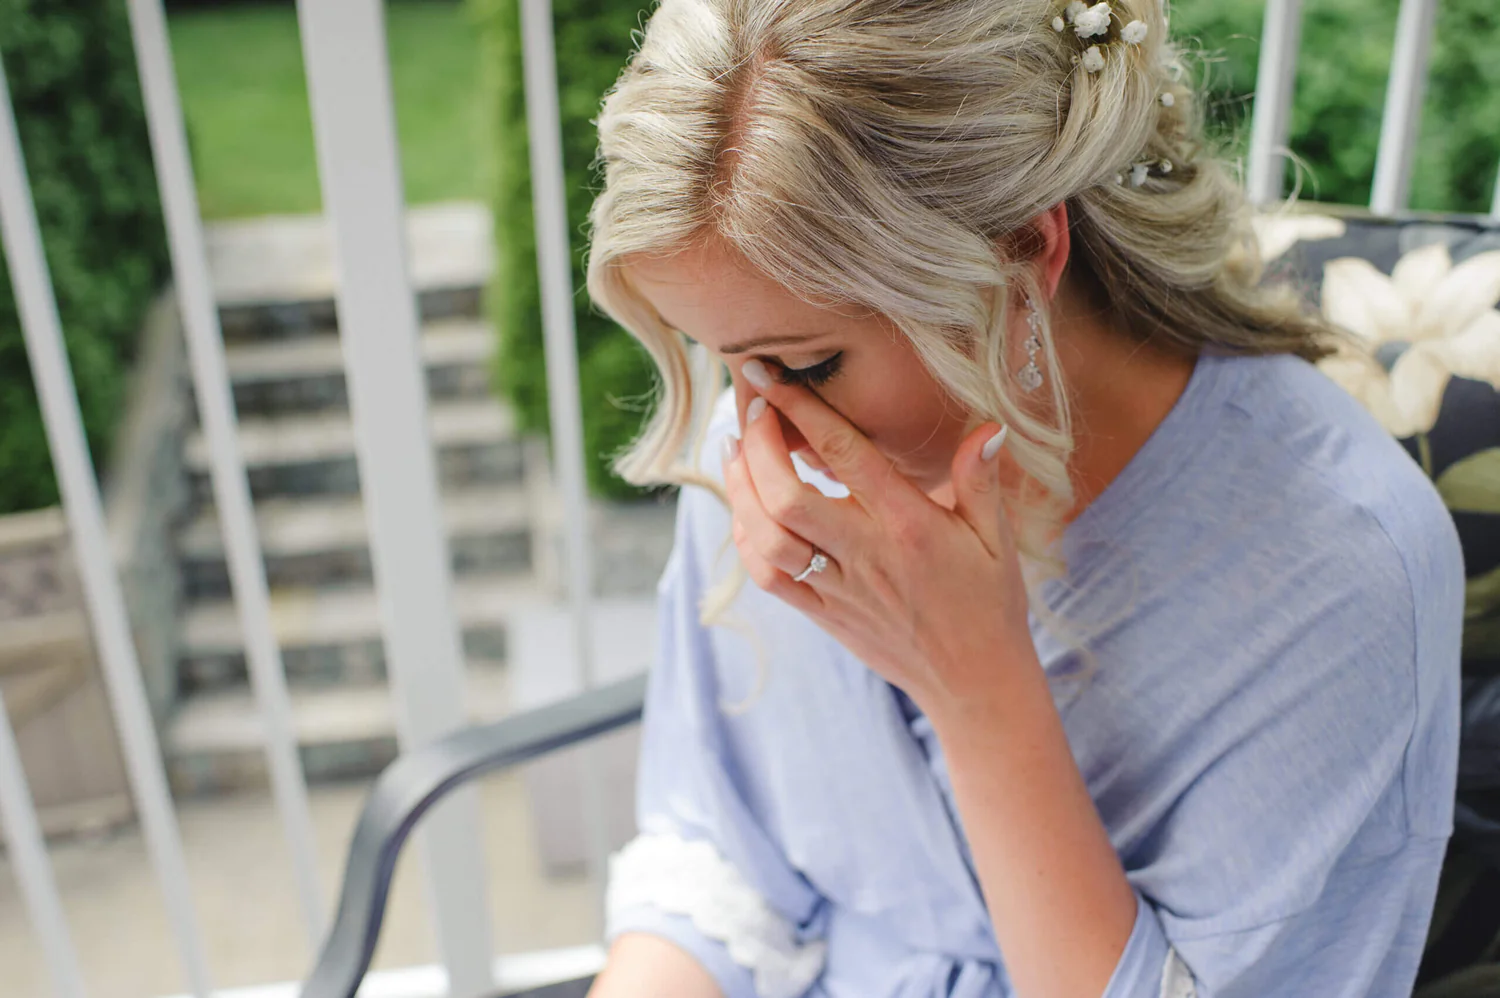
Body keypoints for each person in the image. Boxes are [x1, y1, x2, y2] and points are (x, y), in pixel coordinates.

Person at [577, 1, 1466, 996]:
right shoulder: (770, 407)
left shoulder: (1337, 571)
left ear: (1023, 255)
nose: (758, 429)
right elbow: (720, 863)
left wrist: (976, 685)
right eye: (723, 357)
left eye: (809, 363)